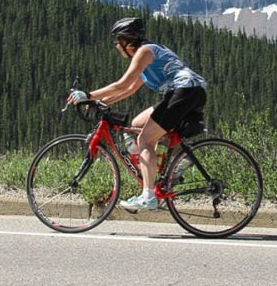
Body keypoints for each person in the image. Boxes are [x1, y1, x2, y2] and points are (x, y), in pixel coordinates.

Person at [66, 17, 207, 211]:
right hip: (186, 91)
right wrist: (100, 102)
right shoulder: (148, 53)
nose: (116, 45)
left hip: (184, 91)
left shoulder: (144, 52)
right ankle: (172, 163)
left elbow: (121, 84)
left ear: (127, 40)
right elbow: (129, 90)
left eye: (117, 40)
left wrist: (88, 95)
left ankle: (149, 196)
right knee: (138, 123)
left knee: (146, 140)